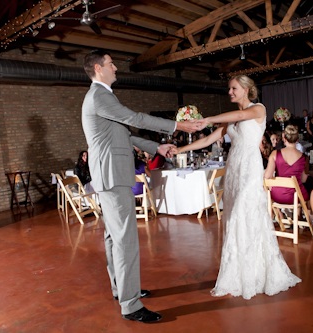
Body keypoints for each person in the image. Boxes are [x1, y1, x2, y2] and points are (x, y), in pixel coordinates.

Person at [81, 50, 199, 323]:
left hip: (108, 174)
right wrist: (177, 125)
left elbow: (126, 132)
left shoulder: (102, 96)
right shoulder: (99, 96)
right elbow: (135, 118)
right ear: (99, 68)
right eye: (111, 63)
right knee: (125, 240)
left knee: (114, 237)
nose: (116, 68)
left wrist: (156, 146)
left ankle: (122, 290)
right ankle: (131, 305)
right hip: (113, 175)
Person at [174, 74, 301, 299]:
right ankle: (237, 273)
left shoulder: (258, 109)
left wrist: (209, 118)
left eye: (233, 88)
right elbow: (207, 140)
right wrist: (180, 150)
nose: (230, 92)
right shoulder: (230, 120)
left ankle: (256, 274)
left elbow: (242, 114)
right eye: (229, 89)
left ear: (245, 89)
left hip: (250, 170)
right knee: (233, 218)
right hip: (234, 170)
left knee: (247, 214)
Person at [265, 125, 309, 204]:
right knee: (306, 194)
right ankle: (299, 215)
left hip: (277, 195)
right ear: (297, 139)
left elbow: (267, 176)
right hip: (296, 196)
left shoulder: (275, 154)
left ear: (284, 139)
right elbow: (303, 180)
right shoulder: (305, 158)